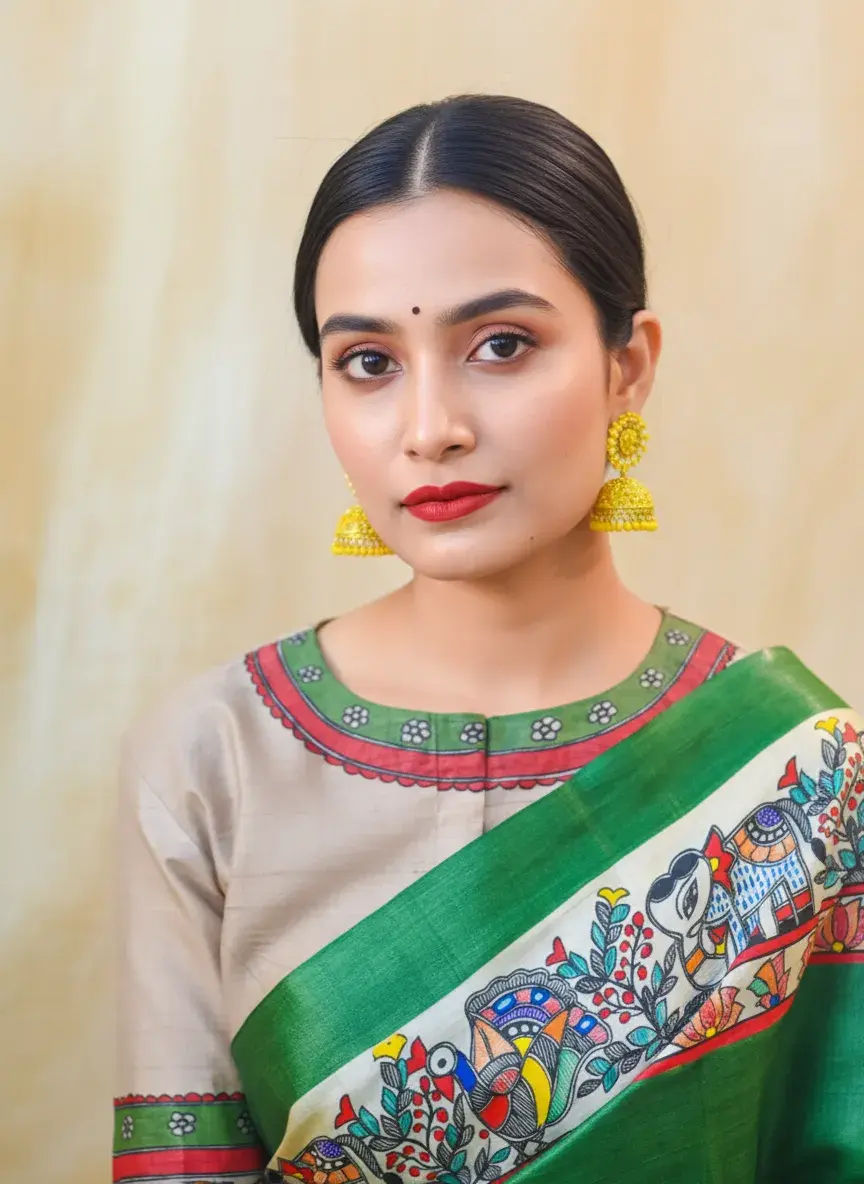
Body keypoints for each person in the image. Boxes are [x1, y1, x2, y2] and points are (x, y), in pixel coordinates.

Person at [113, 95, 863, 1184]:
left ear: (628, 366)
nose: (431, 428)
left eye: (501, 345)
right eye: (368, 361)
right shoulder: (212, 759)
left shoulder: (798, 775)